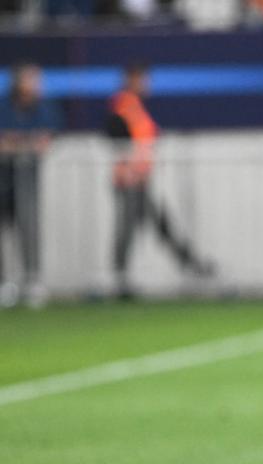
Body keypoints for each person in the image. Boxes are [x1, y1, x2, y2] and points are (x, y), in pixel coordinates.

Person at [106, 62, 212, 298]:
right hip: (129, 180)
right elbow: (116, 135)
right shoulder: (124, 105)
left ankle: (189, 264)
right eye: (142, 80)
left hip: (140, 180)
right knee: (131, 228)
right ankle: (120, 277)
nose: (146, 84)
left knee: (158, 224)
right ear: (132, 80)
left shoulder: (134, 106)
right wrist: (130, 167)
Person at [0, 62, 62, 308]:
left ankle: (32, 279)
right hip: (3, 179)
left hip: (27, 179)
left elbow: (45, 138)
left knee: (29, 227)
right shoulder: (5, 105)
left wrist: (18, 144)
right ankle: (4, 282)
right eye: (31, 79)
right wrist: (21, 144)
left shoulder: (44, 106)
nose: (36, 85)